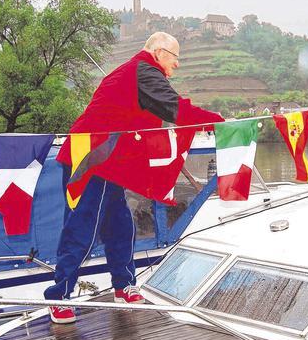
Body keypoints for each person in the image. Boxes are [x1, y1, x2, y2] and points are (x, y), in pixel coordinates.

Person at [45, 32, 224, 324]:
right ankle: (58, 295)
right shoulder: (145, 70)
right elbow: (173, 108)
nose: (177, 65)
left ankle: (123, 285)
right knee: (83, 228)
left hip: (106, 160)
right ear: (158, 52)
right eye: (175, 57)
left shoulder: (133, 72)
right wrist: (215, 121)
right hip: (93, 160)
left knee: (119, 224)